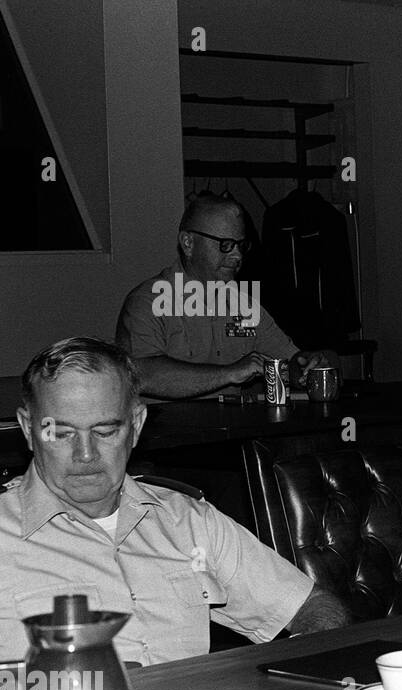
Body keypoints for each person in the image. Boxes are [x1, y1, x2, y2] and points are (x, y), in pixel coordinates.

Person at [0, 338, 349, 665]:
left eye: (106, 431)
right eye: (61, 434)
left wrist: (282, 682)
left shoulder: (187, 521)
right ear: (28, 429)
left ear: (136, 425)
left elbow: (316, 608)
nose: (86, 454)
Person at [115, 194, 336, 400]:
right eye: (225, 245)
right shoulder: (148, 302)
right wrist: (230, 373)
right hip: (168, 436)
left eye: (241, 245)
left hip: (231, 433)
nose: (237, 255)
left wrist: (306, 367)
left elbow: (287, 361)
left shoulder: (243, 306)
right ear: (188, 243)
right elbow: (142, 374)